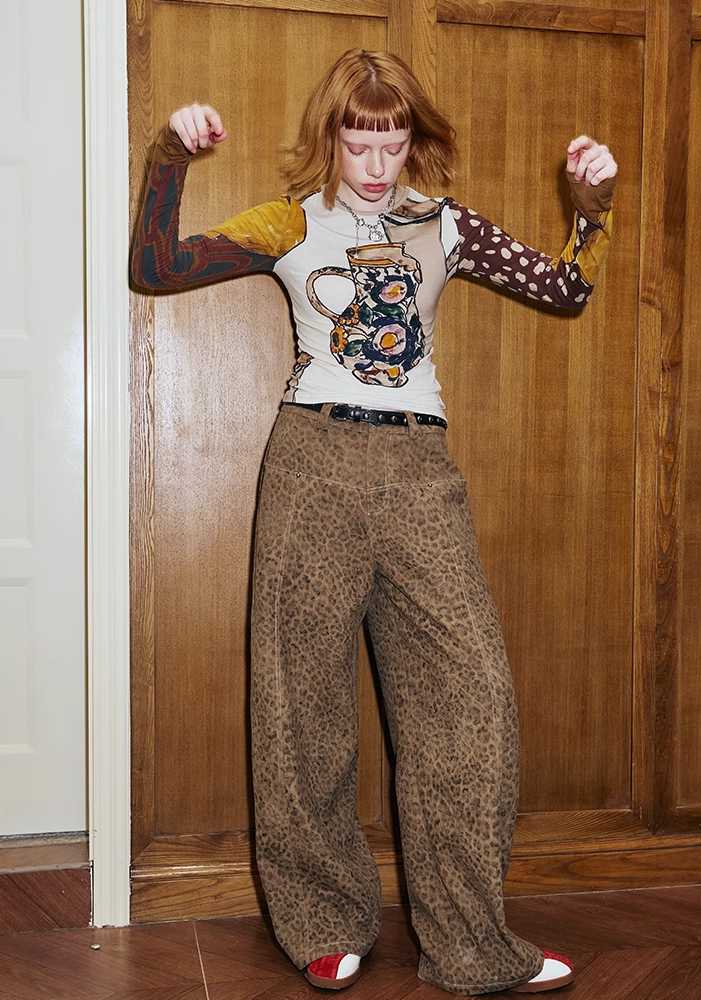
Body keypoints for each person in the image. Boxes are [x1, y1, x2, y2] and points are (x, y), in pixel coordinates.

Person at [130, 47, 616, 996]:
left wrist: (589, 208)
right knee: (299, 703)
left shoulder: (447, 225)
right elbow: (155, 267)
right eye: (360, 143)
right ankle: (322, 923)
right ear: (333, 139)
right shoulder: (290, 221)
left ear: (412, 141)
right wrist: (169, 159)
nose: (377, 163)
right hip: (310, 462)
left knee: (472, 697)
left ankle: (470, 946)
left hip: (418, 470)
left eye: (393, 143)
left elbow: (565, 290)